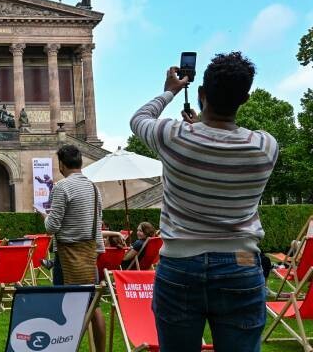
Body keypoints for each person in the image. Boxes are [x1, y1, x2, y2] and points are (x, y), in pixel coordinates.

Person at [130, 53, 278, 351]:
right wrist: (200, 126)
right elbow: (221, 141)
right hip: (242, 263)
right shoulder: (265, 146)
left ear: (201, 94)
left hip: (180, 264)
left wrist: (170, 90)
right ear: (245, 98)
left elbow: (139, 119)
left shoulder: (173, 136)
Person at [38, 144, 105, 352]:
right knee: (94, 306)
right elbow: (98, 223)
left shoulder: (62, 187)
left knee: (63, 306)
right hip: (88, 253)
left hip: (67, 255)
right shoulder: (94, 187)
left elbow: (51, 227)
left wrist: (44, 216)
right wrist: (97, 250)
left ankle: (63, 347)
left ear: (61, 164)